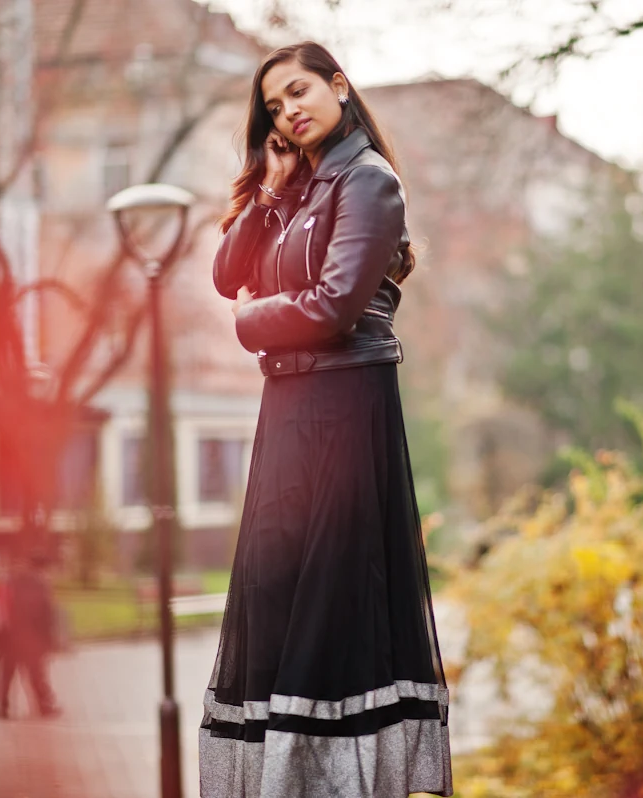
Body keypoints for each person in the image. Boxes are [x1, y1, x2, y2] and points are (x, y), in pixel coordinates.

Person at [199, 41, 453, 798]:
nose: (289, 110)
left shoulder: (370, 182)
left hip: (343, 410)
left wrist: (251, 325)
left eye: (300, 91)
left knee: (331, 605)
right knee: (277, 598)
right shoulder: (301, 191)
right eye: (275, 106)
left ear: (339, 86)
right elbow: (226, 275)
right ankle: (290, 781)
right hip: (290, 409)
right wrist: (272, 190)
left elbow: (336, 305)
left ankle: (340, 783)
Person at [0, 551, 61, 720]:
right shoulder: (41, 585)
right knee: (37, 674)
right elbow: (47, 615)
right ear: (42, 568)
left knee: (6, 674)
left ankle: (1, 708)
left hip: (9, 636)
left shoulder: (11, 580)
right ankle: (45, 706)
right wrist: (49, 640)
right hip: (32, 638)